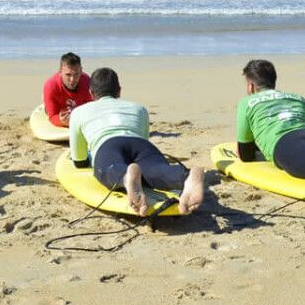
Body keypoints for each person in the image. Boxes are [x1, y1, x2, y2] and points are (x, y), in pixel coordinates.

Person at [68, 67, 205, 215]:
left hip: (108, 145)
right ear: (119, 91)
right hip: (141, 145)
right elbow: (143, 139)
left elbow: (79, 160)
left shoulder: (79, 112)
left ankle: (126, 176)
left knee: (109, 170)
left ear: (91, 93)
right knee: (155, 170)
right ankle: (185, 177)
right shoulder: (139, 109)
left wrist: (90, 159)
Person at [43, 52, 94, 127]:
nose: (72, 79)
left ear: (81, 70)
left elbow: (92, 108)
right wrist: (61, 121)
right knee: (47, 108)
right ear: (60, 72)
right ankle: (45, 100)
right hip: (60, 109)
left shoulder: (87, 82)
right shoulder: (50, 86)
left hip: (78, 106)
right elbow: (52, 117)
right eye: (68, 75)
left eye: (76, 74)